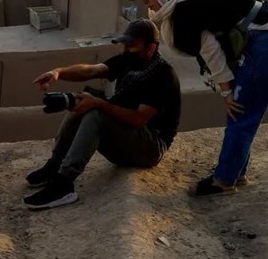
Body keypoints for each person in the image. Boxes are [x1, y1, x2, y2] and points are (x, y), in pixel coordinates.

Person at [127, 0, 268, 197]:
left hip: (262, 42)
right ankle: (235, 171)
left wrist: (226, 93)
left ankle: (223, 181)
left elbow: (211, 51)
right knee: (242, 113)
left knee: (239, 112)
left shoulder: (184, 10)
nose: (146, 3)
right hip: (259, 35)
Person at [24, 19, 181, 210]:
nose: (126, 50)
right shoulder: (126, 61)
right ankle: (55, 165)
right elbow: (91, 70)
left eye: (131, 46)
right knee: (83, 103)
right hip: (128, 138)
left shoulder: (163, 75)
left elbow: (139, 119)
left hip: (151, 147)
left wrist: (99, 103)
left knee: (96, 111)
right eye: (125, 45)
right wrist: (58, 72)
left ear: (150, 48)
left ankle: (64, 184)